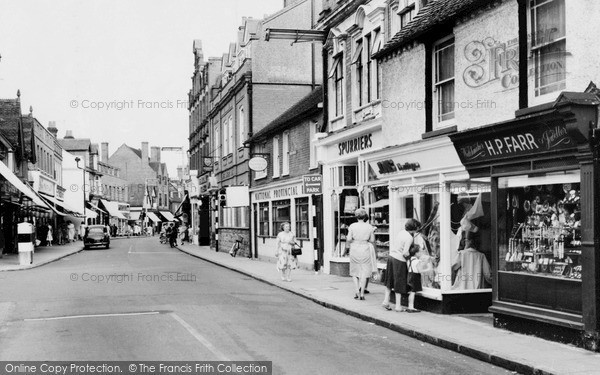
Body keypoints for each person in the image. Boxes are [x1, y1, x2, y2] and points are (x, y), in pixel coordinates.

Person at [382, 218, 421, 312]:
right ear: (414, 228)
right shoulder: (409, 237)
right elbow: (405, 252)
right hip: (399, 260)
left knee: (390, 281)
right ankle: (398, 306)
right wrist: (411, 259)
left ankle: (386, 301)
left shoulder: (401, 232)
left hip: (391, 257)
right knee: (399, 282)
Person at [345, 208, 377, 300]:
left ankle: (357, 291)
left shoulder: (352, 226)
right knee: (364, 271)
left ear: (356, 216)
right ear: (365, 216)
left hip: (355, 248)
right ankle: (362, 293)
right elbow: (372, 240)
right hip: (365, 248)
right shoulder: (369, 227)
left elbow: (349, 239)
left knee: (355, 272)